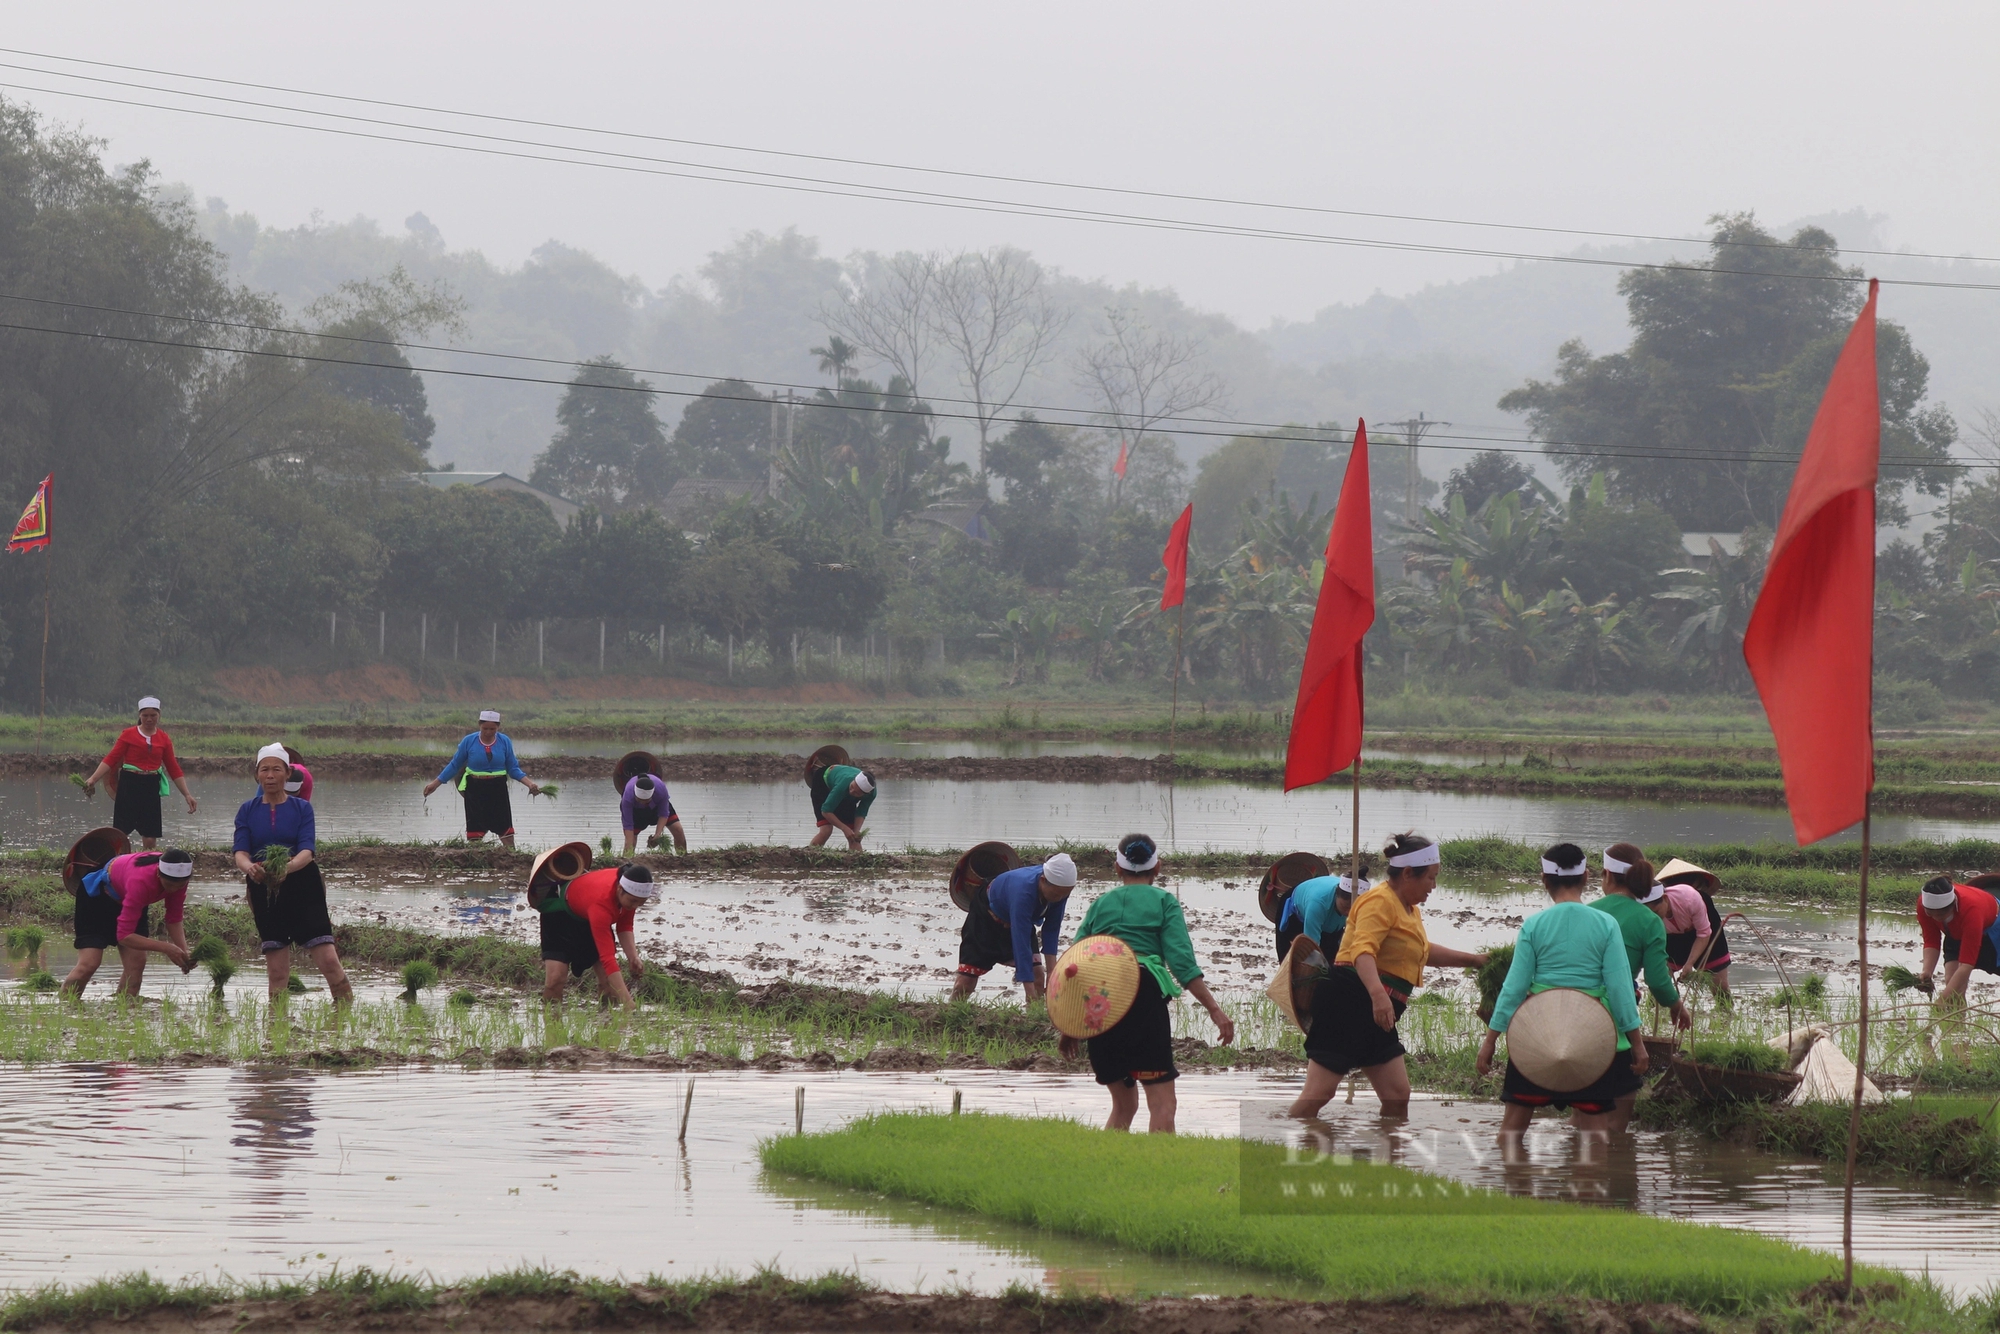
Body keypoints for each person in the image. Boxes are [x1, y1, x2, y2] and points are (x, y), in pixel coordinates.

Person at [1288, 833, 1486, 1119]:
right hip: (1352, 1000)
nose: (1434, 885)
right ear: (1408, 874)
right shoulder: (1379, 901)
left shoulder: (1409, 909)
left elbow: (1421, 951)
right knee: (1320, 1093)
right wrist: (1378, 995)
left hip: (1379, 1009)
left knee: (1397, 1095)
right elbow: (1362, 951)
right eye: (1430, 878)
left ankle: (1386, 1157)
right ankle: (1283, 1145)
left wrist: (1475, 960)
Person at [1059, 833, 1235, 1134]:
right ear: (1158, 868)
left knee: (1124, 1106)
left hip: (1101, 1005)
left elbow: (1076, 965)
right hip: (1143, 996)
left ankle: (1109, 1170)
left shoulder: (1101, 904)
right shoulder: (1165, 902)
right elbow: (1182, 964)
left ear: (1117, 868)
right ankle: (1161, 1171)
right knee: (1163, 1104)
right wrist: (1215, 1011)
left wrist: (1071, 1025)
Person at [1477, 843, 1648, 1132]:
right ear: (1586, 878)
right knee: (1594, 1137)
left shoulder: (1534, 925)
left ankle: (1511, 1177)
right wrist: (1638, 1044)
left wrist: (1491, 1039)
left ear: (1545, 880)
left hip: (1537, 1035)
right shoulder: (1606, 924)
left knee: (1512, 1131)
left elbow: (1514, 988)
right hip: (1591, 1037)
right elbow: (1620, 989)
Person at [235, 743, 351, 1003]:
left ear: (288, 774)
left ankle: (346, 1020)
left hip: (302, 884)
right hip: (264, 887)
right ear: (257, 775)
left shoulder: (301, 808)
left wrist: (286, 868)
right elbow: (240, 852)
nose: (270, 775)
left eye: (277, 769)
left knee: (329, 961)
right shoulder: (247, 810)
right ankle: (277, 1031)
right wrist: (250, 867)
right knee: (276, 972)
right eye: (264, 769)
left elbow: (307, 850)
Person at [1591, 842, 1689, 1131]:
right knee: (1620, 1106)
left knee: (1585, 1109)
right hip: (1616, 1020)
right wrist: (1676, 1004)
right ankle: (1620, 1165)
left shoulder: (1589, 911)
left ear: (1607, 875)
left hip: (1576, 1011)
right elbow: (1658, 980)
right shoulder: (1649, 921)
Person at [61, 848, 196, 996]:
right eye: (169, 885)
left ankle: (125, 1012)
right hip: (97, 898)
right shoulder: (140, 881)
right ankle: (64, 1008)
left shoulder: (179, 878)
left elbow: (174, 918)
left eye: (180, 886)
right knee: (89, 964)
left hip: (131, 900)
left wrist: (184, 952)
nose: (174, 890)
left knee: (136, 965)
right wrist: (168, 948)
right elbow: (124, 936)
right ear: (158, 873)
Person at [952, 851, 1077, 1003]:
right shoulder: (1023, 892)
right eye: (1057, 895)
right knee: (966, 982)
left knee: (1038, 975)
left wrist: (1052, 973)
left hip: (1017, 919)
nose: (1059, 899)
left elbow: (1051, 929)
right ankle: (952, 1012)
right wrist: (1028, 991)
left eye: (1065, 895)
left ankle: (1034, 1017)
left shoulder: (1060, 890)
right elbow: (1021, 941)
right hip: (986, 918)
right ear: (1043, 880)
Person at [81, 697, 197, 850]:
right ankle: (117, 865)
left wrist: (187, 794)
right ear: (140, 716)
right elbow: (111, 758)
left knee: (150, 836)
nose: (149, 719)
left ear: (159, 715)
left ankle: (145, 866)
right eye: (145, 716)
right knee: (120, 833)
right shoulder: (128, 735)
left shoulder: (164, 739)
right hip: (129, 784)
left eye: (153, 715)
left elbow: (173, 768)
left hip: (151, 786)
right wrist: (93, 779)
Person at [540, 861, 657, 1009]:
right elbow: (607, 958)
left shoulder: (631, 888)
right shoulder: (602, 904)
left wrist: (633, 957)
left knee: (608, 982)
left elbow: (625, 924)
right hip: (561, 914)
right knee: (555, 979)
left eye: (640, 903)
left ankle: (606, 1022)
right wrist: (629, 1004)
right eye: (633, 901)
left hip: (588, 914)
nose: (634, 907)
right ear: (620, 889)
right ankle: (551, 1024)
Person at [423, 710, 542, 847]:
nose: (488, 732)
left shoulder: (504, 741)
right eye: (485, 728)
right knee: (475, 831)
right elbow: (455, 765)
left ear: (498, 727)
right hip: (475, 788)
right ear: (479, 725)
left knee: (505, 830)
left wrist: (530, 784)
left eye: (492, 729)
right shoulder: (469, 741)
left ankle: (512, 857)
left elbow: (513, 768)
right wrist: (435, 784)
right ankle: (476, 859)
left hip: (498, 789)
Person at [1915, 877, 2000, 1004]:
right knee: (1953, 986)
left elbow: (1966, 965)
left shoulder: (1971, 910)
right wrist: (1927, 971)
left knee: (1950, 993)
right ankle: (1957, 1023)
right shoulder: (1924, 904)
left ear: (1953, 905)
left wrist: (1942, 1000)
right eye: (1931, 915)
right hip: (1955, 933)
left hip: (1993, 934)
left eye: (1941, 915)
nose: (1937, 919)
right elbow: (1931, 941)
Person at [1657, 858, 1733, 997]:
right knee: (1659, 982)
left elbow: (1704, 933)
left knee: (1720, 987)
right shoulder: (1649, 907)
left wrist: (1689, 964)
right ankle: (1655, 1011)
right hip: (1673, 939)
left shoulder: (1694, 899)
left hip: (1708, 936)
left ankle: (1726, 1015)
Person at [1276, 862, 1368, 964]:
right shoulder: (1317, 903)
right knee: (1293, 961)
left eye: (1353, 909)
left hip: (1331, 922)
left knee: (1333, 960)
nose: (1348, 912)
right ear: (1336, 894)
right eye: (1345, 907)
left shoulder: (1364, 905)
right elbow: (1311, 946)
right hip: (1297, 916)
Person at [810, 764, 877, 851]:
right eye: (852, 786)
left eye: (856, 793)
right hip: (822, 782)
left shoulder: (871, 794)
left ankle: (857, 862)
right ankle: (808, 856)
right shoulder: (844, 784)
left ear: (865, 794)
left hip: (843, 790)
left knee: (854, 836)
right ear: (853, 780)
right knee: (826, 830)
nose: (852, 791)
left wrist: (856, 830)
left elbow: (861, 812)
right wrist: (844, 828)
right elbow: (826, 811)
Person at [620, 772, 686, 856]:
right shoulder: (627, 798)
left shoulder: (661, 789)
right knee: (630, 842)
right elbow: (628, 826)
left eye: (646, 801)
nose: (643, 803)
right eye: (640, 800)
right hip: (636, 811)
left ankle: (683, 858)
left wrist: (657, 835)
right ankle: (626, 865)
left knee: (678, 829)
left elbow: (664, 814)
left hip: (656, 807)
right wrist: (628, 845)